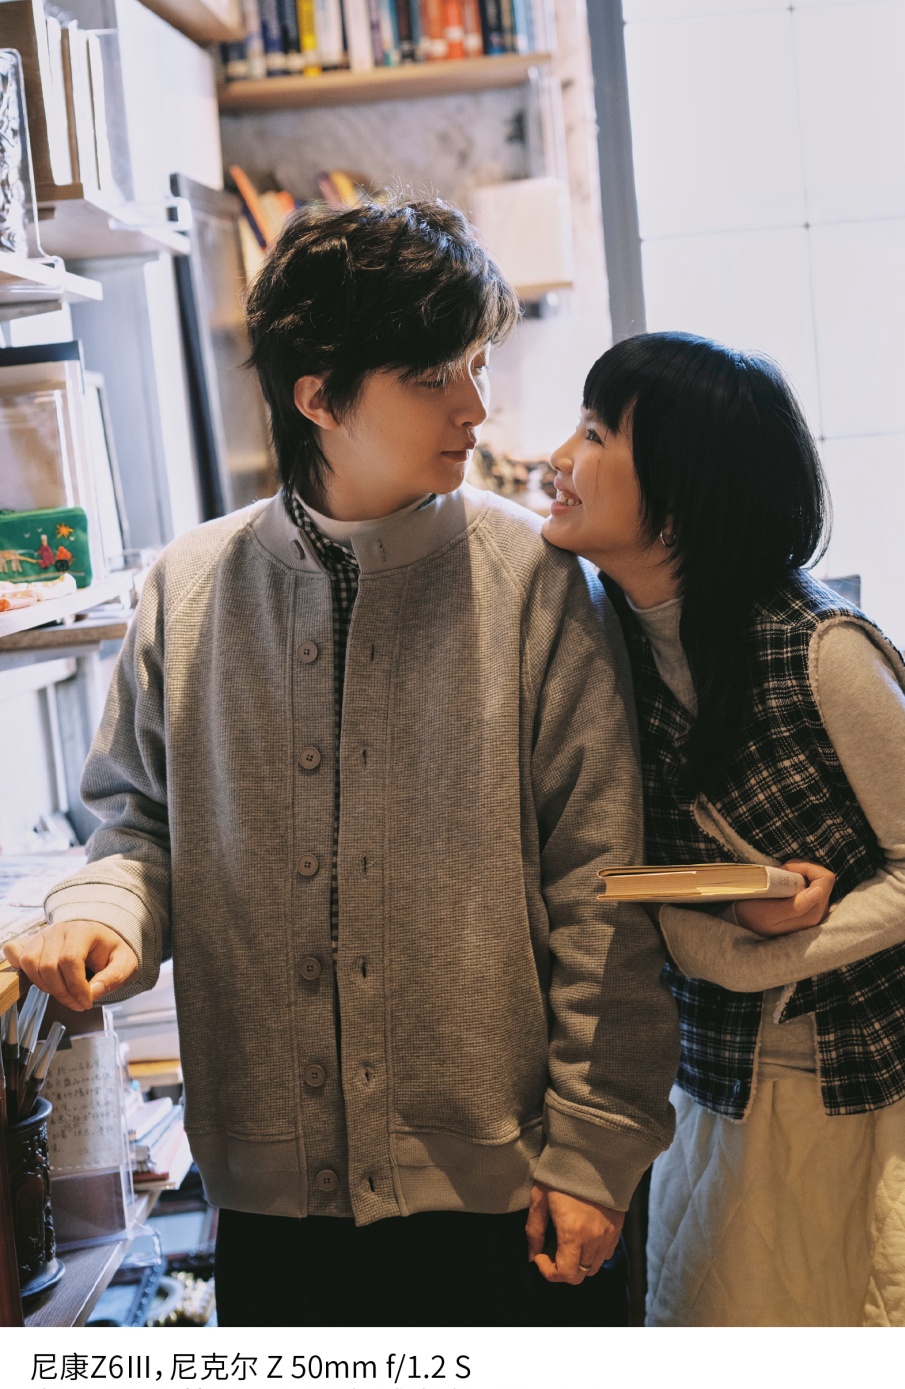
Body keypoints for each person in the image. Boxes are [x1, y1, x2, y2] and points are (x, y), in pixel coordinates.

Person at [2, 201, 680, 1327]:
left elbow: (604, 886)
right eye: (433, 376)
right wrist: (105, 915)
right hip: (275, 1216)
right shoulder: (189, 588)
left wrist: (595, 1149)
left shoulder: (537, 583)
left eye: (477, 364)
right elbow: (137, 827)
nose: (475, 406)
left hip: (513, 1200)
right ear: (318, 396)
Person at [542, 330, 905, 1326]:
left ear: (682, 491)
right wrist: (726, 939)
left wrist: (759, 957)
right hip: (738, 1087)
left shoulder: (819, 649)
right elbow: (637, 883)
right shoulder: (601, 647)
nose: (557, 460)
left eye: (594, 433)